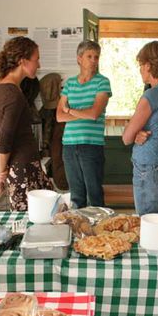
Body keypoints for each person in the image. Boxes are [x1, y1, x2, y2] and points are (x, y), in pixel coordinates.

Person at [0, 36, 51, 210]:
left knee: (45, 211)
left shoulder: (0, 87)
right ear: (23, 61)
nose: (38, 65)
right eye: (36, 59)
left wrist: (1, 173)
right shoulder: (12, 94)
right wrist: (0, 176)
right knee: (29, 220)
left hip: (22, 165)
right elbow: (4, 139)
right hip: (23, 168)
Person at [122, 41, 158, 215]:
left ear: (148, 65)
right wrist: (136, 132)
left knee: (149, 224)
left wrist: (132, 132)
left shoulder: (152, 95)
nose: (140, 70)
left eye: (140, 65)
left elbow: (126, 138)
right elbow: (157, 125)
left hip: (148, 169)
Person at [56, 40, 112, 208]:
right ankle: (79, 232)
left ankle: (100, 233)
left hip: (91, 145)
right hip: (69, 145)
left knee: (94, 195)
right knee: (76, 196)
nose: (94, 60)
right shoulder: (70, 84)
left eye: (96, 57)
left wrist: (71, 111)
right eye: (89, 56)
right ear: (79, 58)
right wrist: (82, 113)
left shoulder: (103, 82)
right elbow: (59, 116)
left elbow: (94, 113)